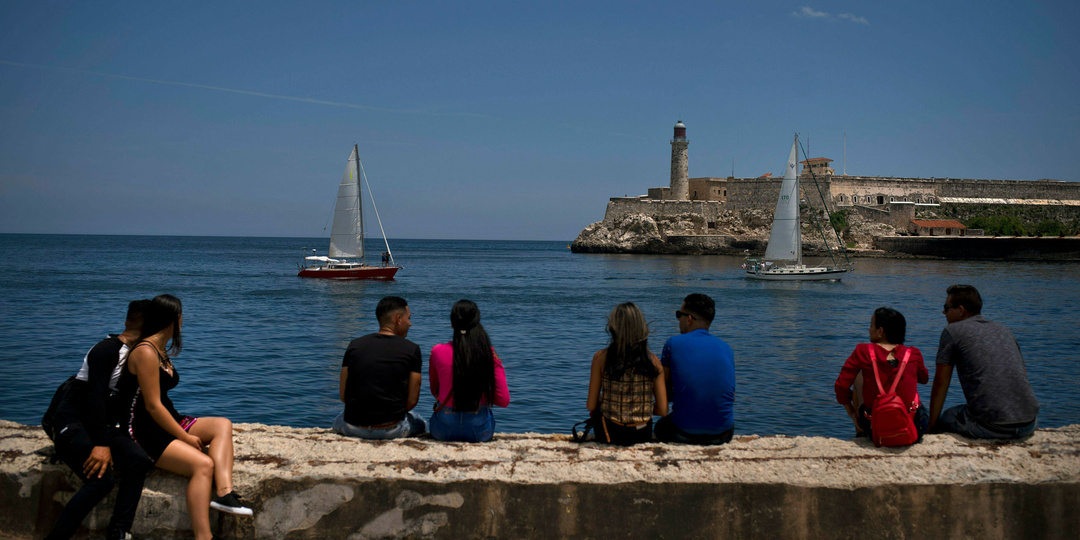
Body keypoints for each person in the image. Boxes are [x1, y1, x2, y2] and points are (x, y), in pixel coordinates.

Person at [116, 294, 251, 540]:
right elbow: (153, 407)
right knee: (203, 465)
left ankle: (224, 493)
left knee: (222, 425)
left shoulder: (159, 350)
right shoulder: (146, 352)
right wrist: (185, 438)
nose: (183, 320)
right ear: (172, 319)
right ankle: (203, 536)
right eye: (181, 315)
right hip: (143, 431)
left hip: (167, 420)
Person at [45, 300, 154, 540]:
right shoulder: (106, 350)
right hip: (71, 424)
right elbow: (94, 397)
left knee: (137, 460)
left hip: (97, 425)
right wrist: (102, 445)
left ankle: (119, 531)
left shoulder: (136, 354)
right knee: (101, 480)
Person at [929, 285, 1039, 439]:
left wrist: (931, 426)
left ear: (961, 310)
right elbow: (1022, 374)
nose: (943, 312)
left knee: (949, 416)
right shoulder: (1003, 330)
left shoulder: (953, 331)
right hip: (1029, 423)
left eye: (946, 308)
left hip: (992, 427)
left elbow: (941, 381)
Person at [334, 296, 426, 439]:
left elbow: (343, 395)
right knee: (422, 423)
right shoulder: (411, 350)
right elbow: (412, 401)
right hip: (391, 430)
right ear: (398, 319)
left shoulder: (354, 345)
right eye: (409, 318)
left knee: (340, 417)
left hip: (353, 427)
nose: (410, 324)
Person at [834, 307, 929, 441]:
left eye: (871, 325)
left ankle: (860, 431)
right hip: (913, 427)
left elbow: (840, 387)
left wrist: (853, 414)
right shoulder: (913, 353)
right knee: (914, 398)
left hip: (875, 428)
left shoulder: (863, 351)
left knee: (858, 378)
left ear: (880, 331)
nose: (868, 329)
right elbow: (924, 379)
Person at [654, 294, 736, 444]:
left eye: (679, 315)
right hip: (723, 434)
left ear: (689, 319)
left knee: (660, 427)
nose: (678, 319)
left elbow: (663, 392)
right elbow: (731, 395)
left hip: (683, 433)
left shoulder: (672, 343)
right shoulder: (726, 348)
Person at [428, 300, 510, 442]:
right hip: (478, 432)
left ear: (452, 324)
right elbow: (503, 401)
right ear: (476, 323)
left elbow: (435, 391)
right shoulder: (487, 354)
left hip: (443, 431)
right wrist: (497, 363)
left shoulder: (437, 351)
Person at [585, 302, 667, 445]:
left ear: (612, 328)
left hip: (609, 433)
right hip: (641, 434)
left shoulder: (600, 358)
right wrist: (639, 408)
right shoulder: (654, 362)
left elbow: (591, 406)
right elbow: (663, 410)